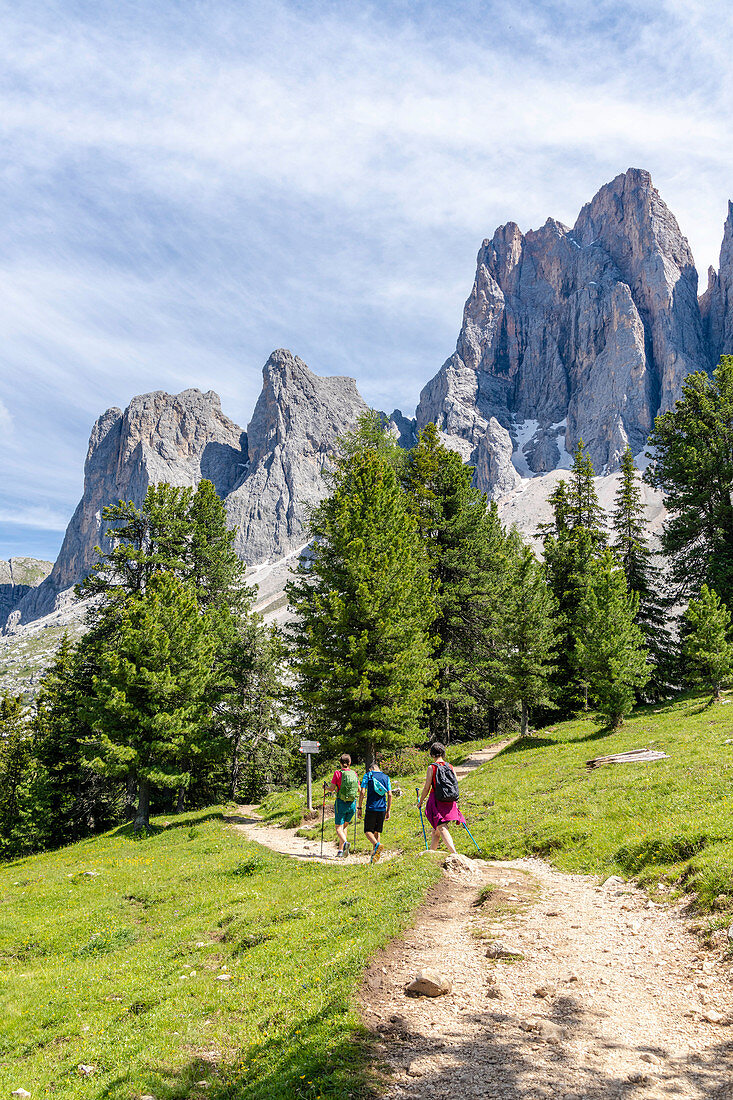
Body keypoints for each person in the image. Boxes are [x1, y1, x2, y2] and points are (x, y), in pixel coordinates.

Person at [417, 742, 465, 854]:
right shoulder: (450, 766)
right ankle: (431, 854)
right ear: (443, 753)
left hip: (437, 799)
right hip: (450, 799)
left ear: (432, 754)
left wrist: (421, 801)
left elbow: (427, 787)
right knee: (436, 830)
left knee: (441, 826)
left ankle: (454, 853)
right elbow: (455, 783)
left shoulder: (432, 767)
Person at [358, 757, 392, 863]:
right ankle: (375, 857)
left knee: (368, 831)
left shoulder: (368, 775)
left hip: (371, 807)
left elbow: (362, 792)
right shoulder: (386, 777)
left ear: (370, 769)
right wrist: (388, 810)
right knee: (377, 831)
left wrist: (359, 807)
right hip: (382, 808)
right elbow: (390, 794)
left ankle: (377, 845)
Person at [328, 753, 359, 858]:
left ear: (340, 763)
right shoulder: (354, 773)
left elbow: (332, 789)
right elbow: (359, 789)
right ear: (350, 762)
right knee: (344, 826)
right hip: (352, 804)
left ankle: (345, 843)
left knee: (338, 828)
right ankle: (341, 851)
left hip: (341, 803)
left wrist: (325, 787)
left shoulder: (337, 773)